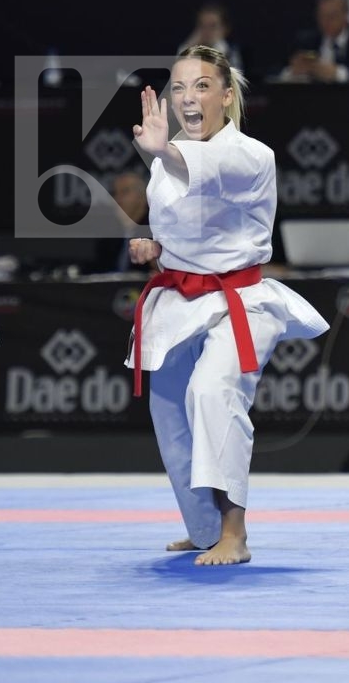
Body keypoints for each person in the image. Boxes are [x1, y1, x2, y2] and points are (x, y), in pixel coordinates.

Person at [124, 45, 328, 565]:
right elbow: (185, 229)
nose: (188, 98)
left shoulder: (252, 155)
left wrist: (160, 153)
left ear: (227, 95)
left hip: (240, 301)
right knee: (169, 409)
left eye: (201, 86)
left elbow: (209, 170)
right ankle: (205, 528)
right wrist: (154, 248)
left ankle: (234, 531)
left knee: (214, 392)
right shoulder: (166, 159)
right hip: (178, 298)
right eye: (178, 88)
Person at [178, 2, 244, 72]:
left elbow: (231, 79)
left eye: (213, 26)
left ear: (225, 29)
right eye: (202, 25)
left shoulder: (231, 52)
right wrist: (188, 46)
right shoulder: (191, 49)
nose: (207, 31)